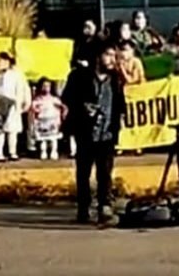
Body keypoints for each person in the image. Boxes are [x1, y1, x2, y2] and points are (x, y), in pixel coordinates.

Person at [62, 43, 126, 225]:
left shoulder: (115, 78)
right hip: (85, 132)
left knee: (105, 173)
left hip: (107, 133)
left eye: (114, 56)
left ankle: (104, 206)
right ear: (98, 57)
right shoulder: (79, 76)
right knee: (83, 173)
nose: (112, 60)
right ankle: (83, 208)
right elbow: (67, 97)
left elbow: (120, 102)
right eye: (108, 55)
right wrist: (83, 107)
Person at [0, 52, 31, 161]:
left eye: (2, 61)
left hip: (13, 103)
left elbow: (23, 88)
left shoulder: (17, 74)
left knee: (13, 130)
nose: (0, 63)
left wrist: (25, 101)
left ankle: (12, 152)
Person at [31, 78, 67, 160]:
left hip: (52, 121)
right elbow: (33, 107)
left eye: (48, 86)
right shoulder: (38, 99)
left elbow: (63, 106)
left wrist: (63, 114)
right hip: (42, 121)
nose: (46, 88)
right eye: (44, 86)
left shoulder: (54, 99)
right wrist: (36, 110)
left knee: (53, 139)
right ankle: (43, 152)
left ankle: (53, 152)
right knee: (43, 140)